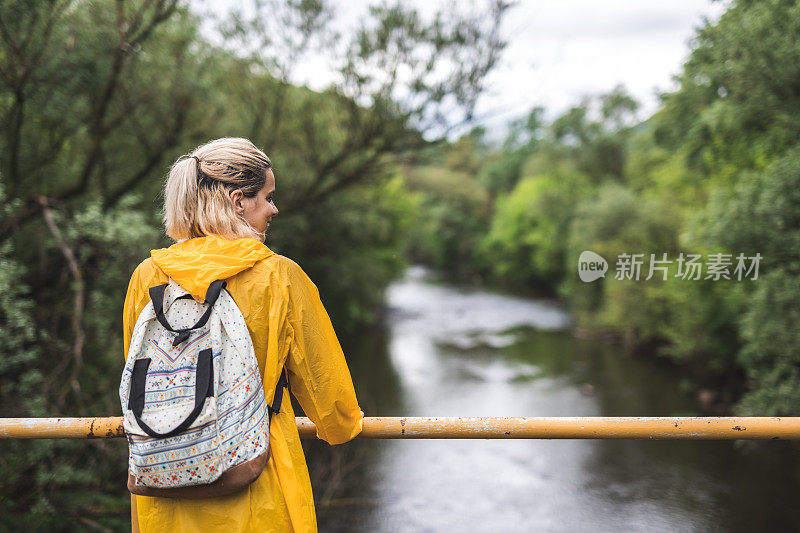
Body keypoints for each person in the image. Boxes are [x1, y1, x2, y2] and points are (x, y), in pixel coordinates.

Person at [122, 137, 364, 532]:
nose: (274, 209)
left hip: (164, 490)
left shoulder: (147, 277)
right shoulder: (279, 276)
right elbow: (330, 401)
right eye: (267, 197)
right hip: (257, 487)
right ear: (238, 201)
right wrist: (345, 426)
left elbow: (136, 381)